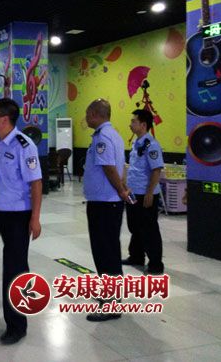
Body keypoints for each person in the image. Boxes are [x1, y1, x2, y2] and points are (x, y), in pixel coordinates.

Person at [0, 98, 42, 345]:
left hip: (19, 214)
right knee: (15, 263)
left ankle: (17, 325)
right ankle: (18, 314)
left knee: (13, 268)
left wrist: (35, 218)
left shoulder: (24, 145)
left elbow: (36, 183)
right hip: (1, 211)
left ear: (5, 119)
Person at [83, 99, 130, 322]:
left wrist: (121, 190)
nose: (85, 118)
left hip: (104, 203)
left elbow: (110, 168)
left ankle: (111, 304)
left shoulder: (102, 137)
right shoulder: (115, 135)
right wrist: (122, 188)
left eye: (87, 114)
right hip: (106, 202)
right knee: (109, 250)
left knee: (105, 252)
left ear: (94, 114)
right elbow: (119, 167)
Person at [123, 109, 165, 274]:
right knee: (134, 225)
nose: (130, 124)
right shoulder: (136, 143)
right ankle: (136, 256)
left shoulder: (151, 145)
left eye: (133, 121)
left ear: (143, 125)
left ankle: (156, 264)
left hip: (145, 194)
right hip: (133, 193)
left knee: (149, 228)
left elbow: (156, 170)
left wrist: (149, 193)